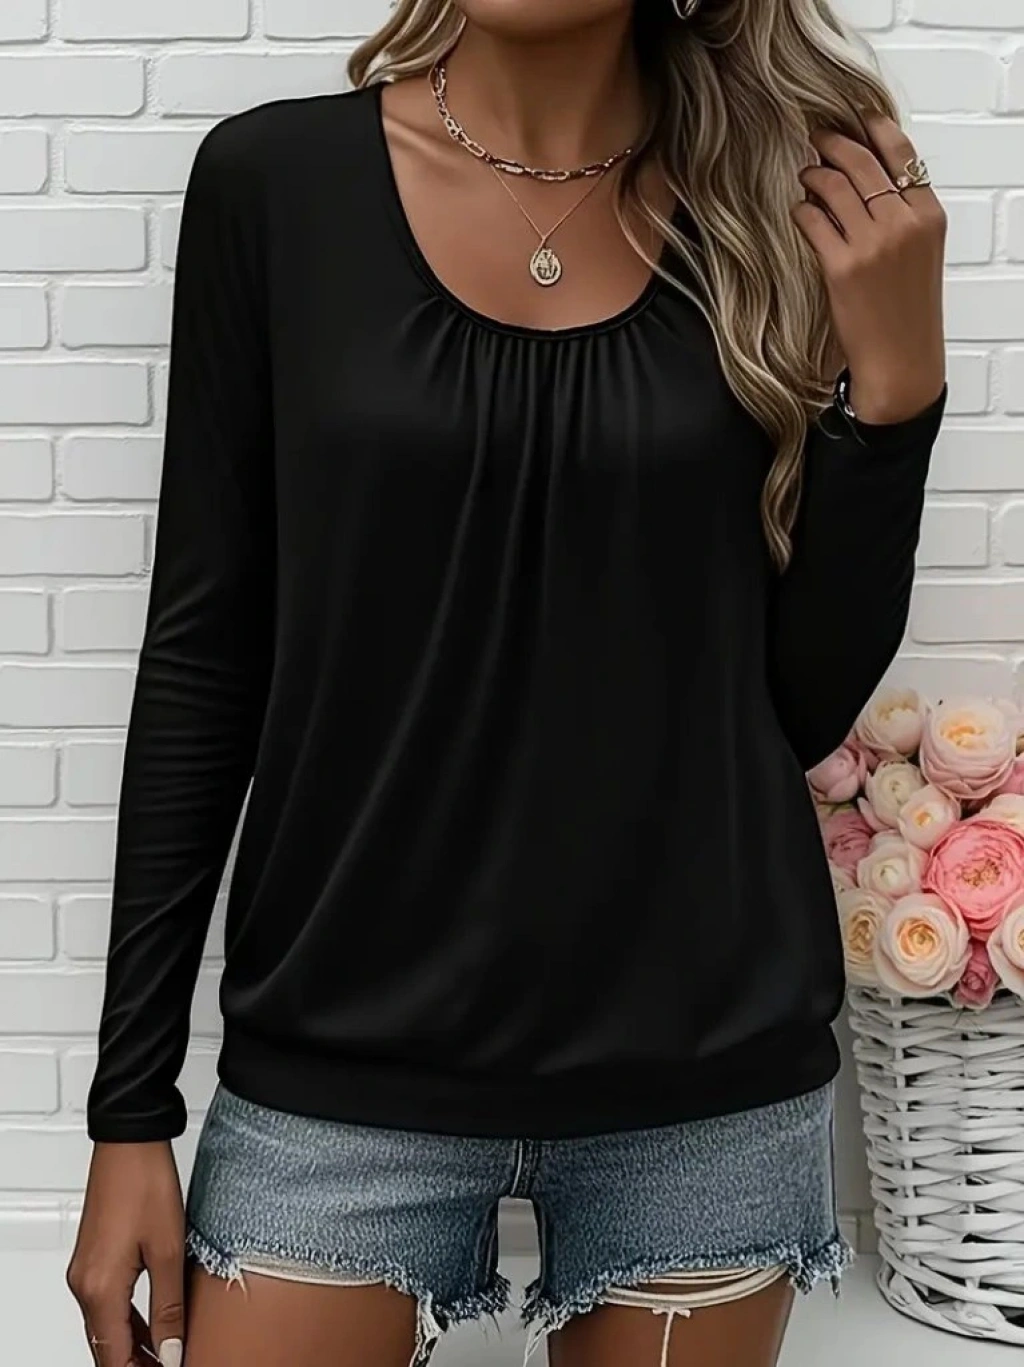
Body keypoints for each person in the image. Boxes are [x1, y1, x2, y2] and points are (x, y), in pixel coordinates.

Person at [66, 2, 948, 1365]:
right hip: (339, 1065)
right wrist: (130, 1109)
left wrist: (895, 401)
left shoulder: (782, 206)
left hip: (703, 1078)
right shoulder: (275, 184)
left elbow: (789, 706)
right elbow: (205, 655)